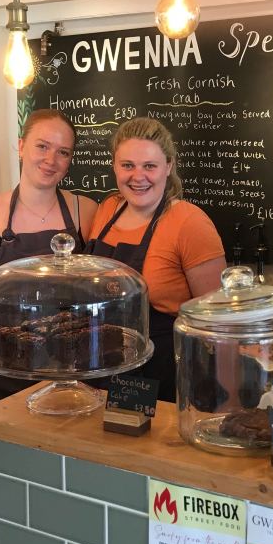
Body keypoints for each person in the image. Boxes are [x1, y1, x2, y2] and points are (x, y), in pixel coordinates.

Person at [0, 109, 97, 405]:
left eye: (63, 152)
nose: (50, 160)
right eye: (42, 146)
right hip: (3, 372)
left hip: (73, 373)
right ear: (21, 146)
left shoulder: (87, 211)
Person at [86, 117, 226, 401]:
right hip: (102, 368)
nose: (138, 177)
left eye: (149, 166)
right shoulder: (106, 210)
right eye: (128, 165)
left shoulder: (189, 222)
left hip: (162, 375)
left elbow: (218, 324)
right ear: (114, 165)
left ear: (168, 167)